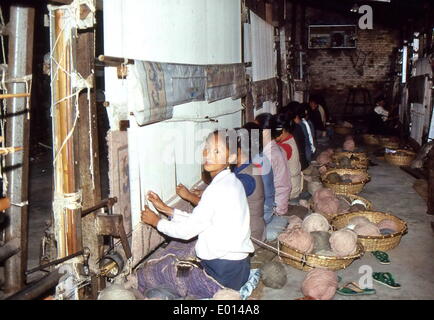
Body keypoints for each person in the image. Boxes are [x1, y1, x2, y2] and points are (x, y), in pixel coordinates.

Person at [138, 130, 254, 298]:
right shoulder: (233, 182)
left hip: (221, 277)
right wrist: (166, 209)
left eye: (217, 151)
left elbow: (187, 232)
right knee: (188, 248)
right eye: (207, 148)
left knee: (159, 273)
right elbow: (202, 220)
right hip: (240, 269)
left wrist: (157, 222)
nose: (208, 154)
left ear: (231, 158)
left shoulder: (216, 189)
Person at [255, 113, 291, 216]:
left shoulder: (269, 155)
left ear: (265, 131)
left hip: (275, 207)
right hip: (282, 201)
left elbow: (260, 188)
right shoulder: (276, 148)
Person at [274, 113, 303, 200]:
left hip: (290, 193)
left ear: (281, 131)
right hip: (293, 186)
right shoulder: (289, 138)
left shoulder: (285, 147)